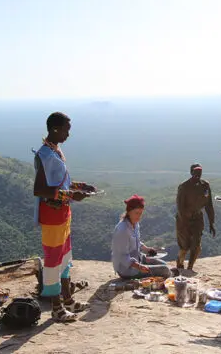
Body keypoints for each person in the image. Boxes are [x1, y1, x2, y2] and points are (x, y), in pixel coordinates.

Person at [33, 112, 97, 322]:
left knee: (65, 257)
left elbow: (60, 183)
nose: (68, 134)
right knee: (53, 260)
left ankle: (68, 299)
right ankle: (56, 307)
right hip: (51, 216)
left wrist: (79, 186)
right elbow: (40, 190)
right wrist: (71, 195)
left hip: (62, 213)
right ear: (54, 129)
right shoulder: (44, 155)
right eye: (66, 130)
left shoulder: (55, 151)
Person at [112, 194, 171, 279]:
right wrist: (139, 267)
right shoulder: (122, 230)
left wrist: (147, 249)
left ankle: (169, 273)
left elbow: (137, 242)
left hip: (138, 258)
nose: (139, 216)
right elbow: (122, 256)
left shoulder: (135, 224)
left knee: (164, 264)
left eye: (140, 213)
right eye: (136, 213)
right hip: (127, 269)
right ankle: (170, 275)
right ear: (129, 211)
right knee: (164, 270)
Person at [175, 164, 216, 271]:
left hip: (197, 218)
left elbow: (209, 205)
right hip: (184, 219)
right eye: (196, 171)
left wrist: (211, 222)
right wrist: (184, 223)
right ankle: (179, 264)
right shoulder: (184, 187)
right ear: (191, 172)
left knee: (196, 246)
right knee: (185, 247)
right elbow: (180, 207)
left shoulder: (205, 185)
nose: (198, 174)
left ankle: (190, 268)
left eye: (200, 171)